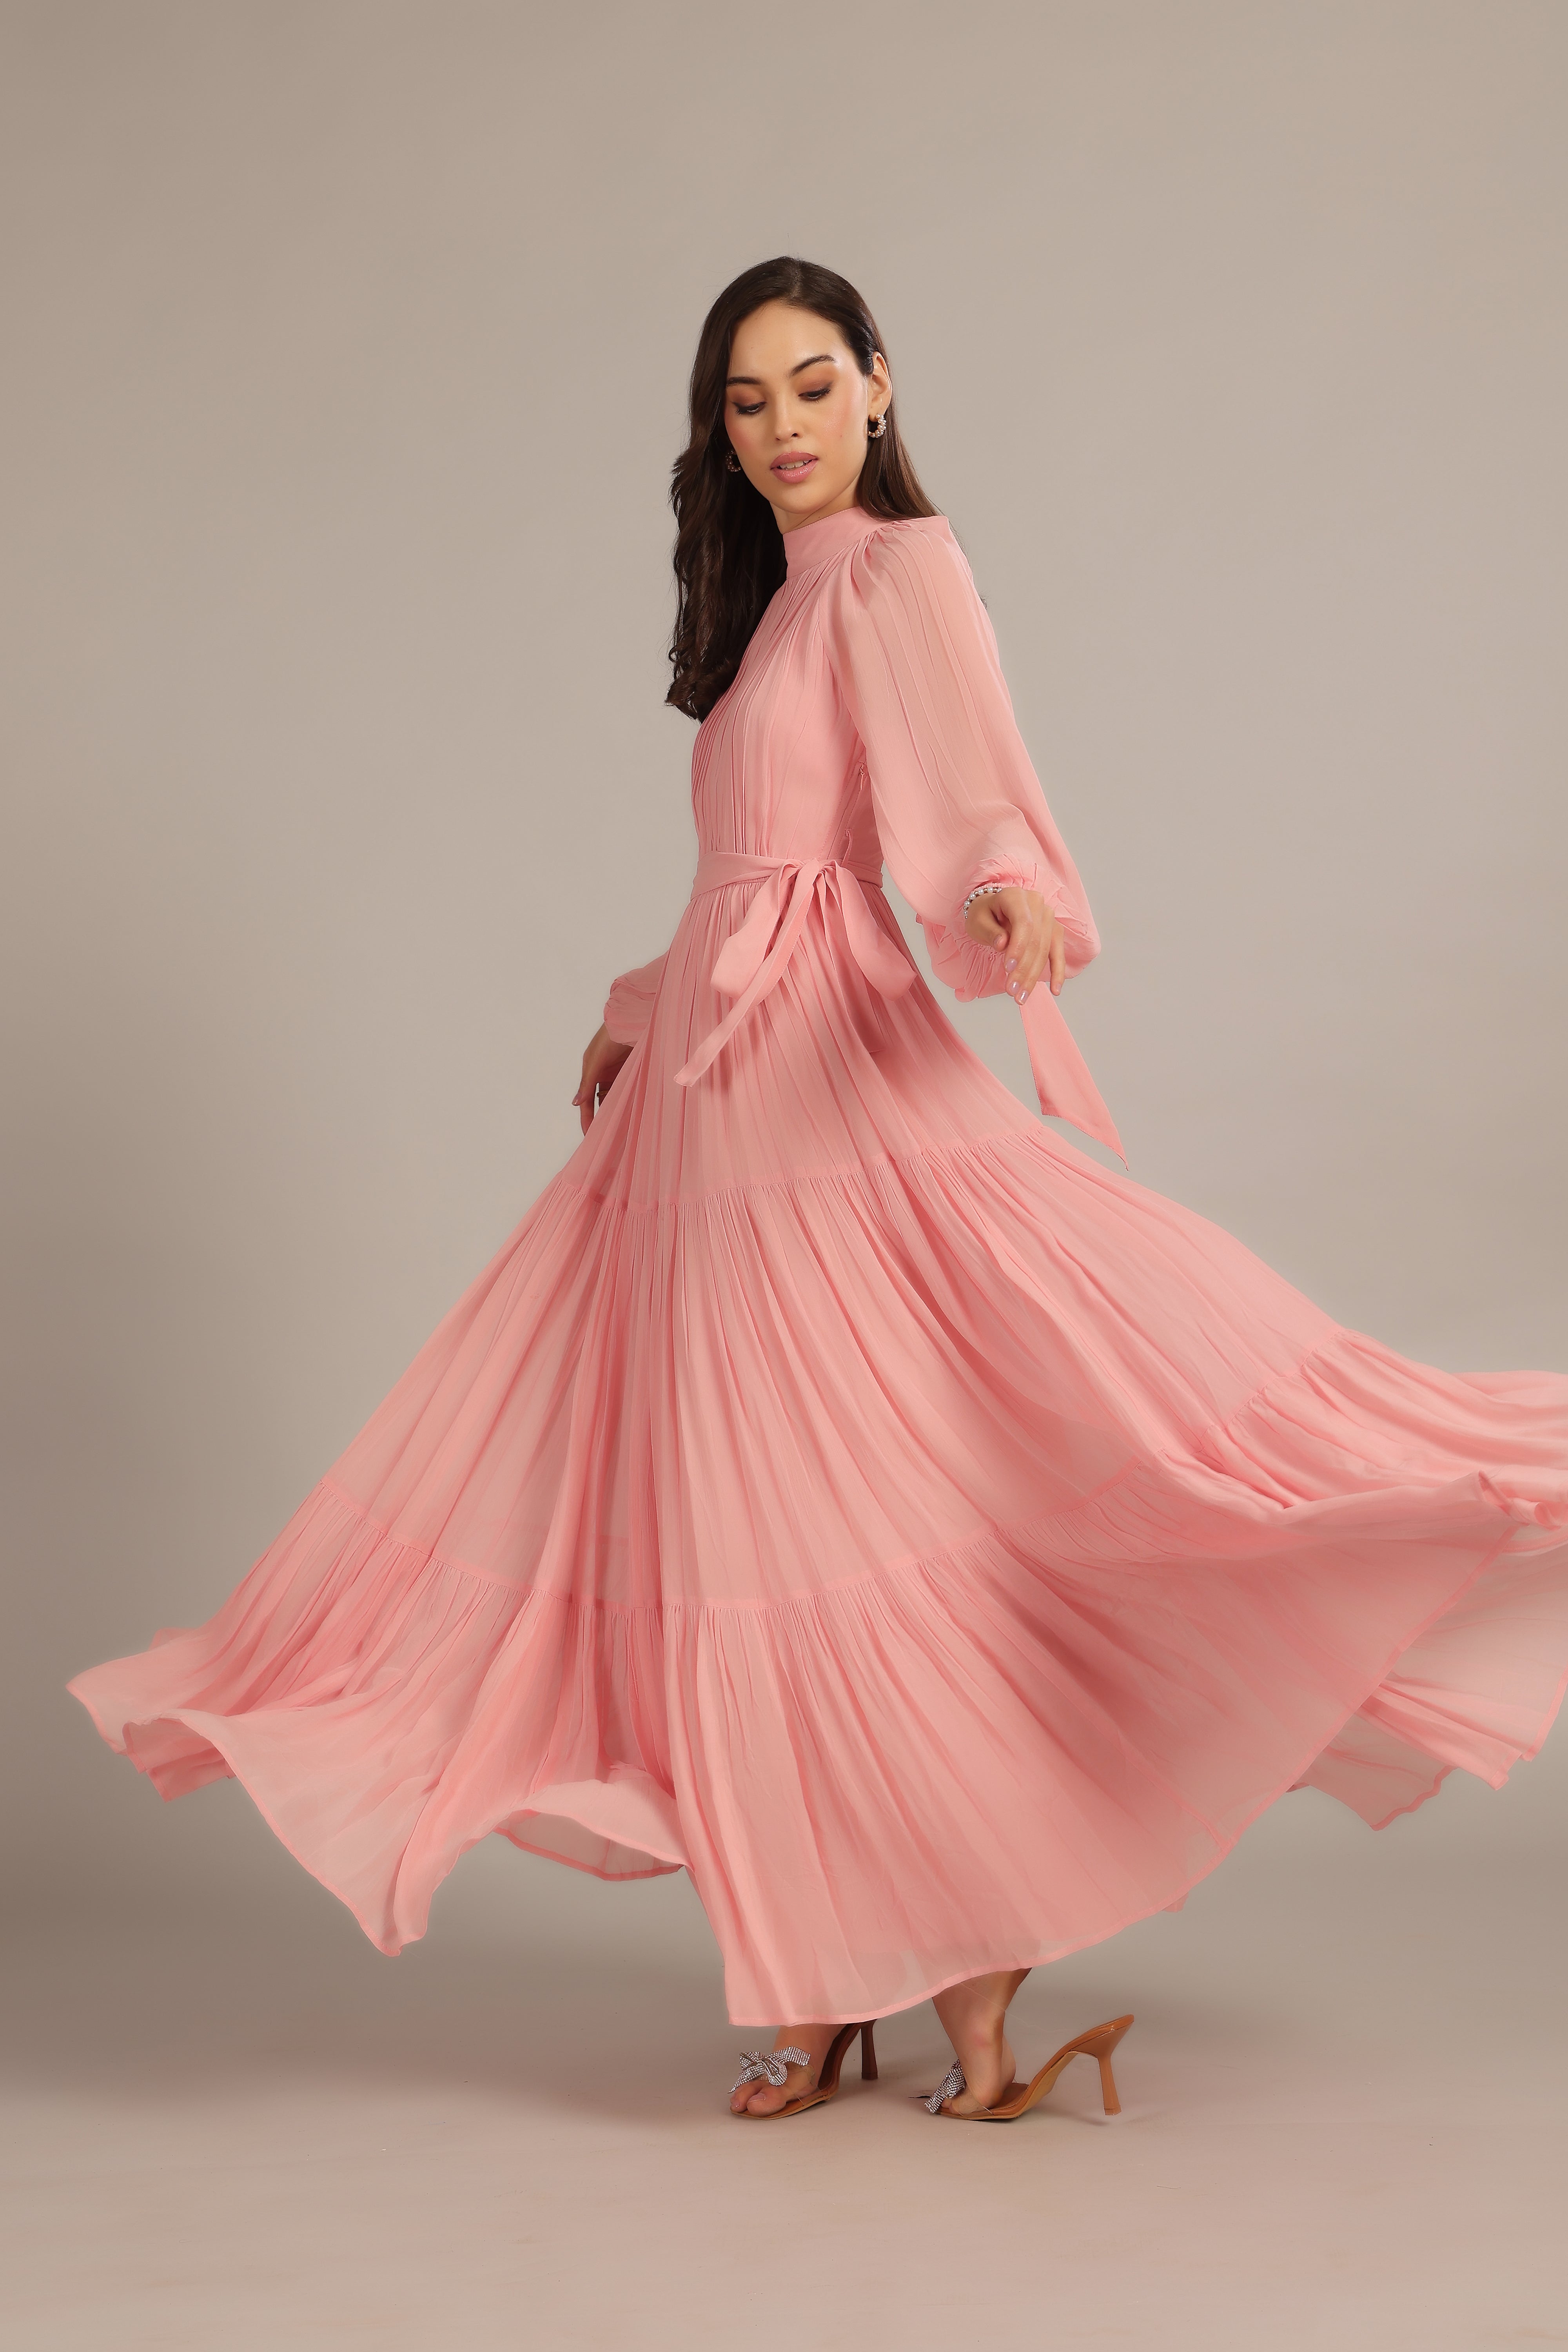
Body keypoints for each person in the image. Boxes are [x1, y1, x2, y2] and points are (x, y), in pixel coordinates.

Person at [70, 258, 1568, 2125]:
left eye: (807, 384)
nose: (779, 426)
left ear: (877, 382)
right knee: (745, 1555)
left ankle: (964, 1974)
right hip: (709, 1121)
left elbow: (967, 787)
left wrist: (1009, 889)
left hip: (820, 1093)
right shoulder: (776, 606)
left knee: (865, 1535)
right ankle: (826, 1976)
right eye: (743, 399)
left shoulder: (895, 567)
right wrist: (639, 1007)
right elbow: (751, 864)